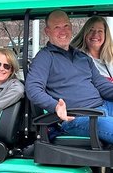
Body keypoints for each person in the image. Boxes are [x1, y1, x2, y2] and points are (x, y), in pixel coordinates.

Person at [25, 10, 113, 144]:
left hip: (103, 108)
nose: (63, 31)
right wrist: (55, 106)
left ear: (71, 28)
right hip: (78, 117)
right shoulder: (45, 57)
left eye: (66, 26)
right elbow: (32, 89)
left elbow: (103, 86)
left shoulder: (82, 57)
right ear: (47, 31)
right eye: (57, 27)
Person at [71, 16, 113, 82]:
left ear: (106, 35)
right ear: (85, 33)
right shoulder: (77, 56)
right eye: (91, 30)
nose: (95, 34)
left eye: (100, 31)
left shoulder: (111, 55)